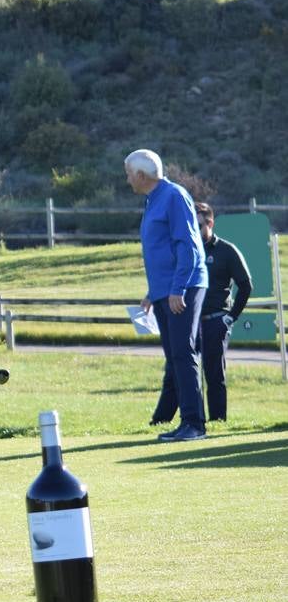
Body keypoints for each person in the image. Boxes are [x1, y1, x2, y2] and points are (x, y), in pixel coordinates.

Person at [124, 149, 209, 442]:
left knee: (183, 353)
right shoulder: (152, 200)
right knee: (176, 356)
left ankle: (194, 424)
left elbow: (187, 246)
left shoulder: (174, 196)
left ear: (140, 175)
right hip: (165, 290)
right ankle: (182, 420)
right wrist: (154, 292)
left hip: (182, 287)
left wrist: (177, 289)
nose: (127, 179)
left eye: (128, 173)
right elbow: (162, 251)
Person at [152, 201, 251, 426]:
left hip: (215, 319)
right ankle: (164, 419)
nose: (194, 231)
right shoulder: (185, 250)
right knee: (179, 368)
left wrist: (231, 316)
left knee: (214, 372)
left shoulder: (226, 251)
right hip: (188, 319)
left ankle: (217, 420)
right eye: (191, 226)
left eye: (198, 225)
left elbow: (245, 285)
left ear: (210, 223)